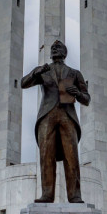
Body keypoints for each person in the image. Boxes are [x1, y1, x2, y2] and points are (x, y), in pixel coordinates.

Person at [21, 39, 91, 203]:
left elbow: (87, 99)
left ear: (65, 53)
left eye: (58, 47)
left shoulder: (74, 73)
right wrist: (35, 71)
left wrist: (77, 94)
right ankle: (47, 194)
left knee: (71, 156)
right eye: (52, 48)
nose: (54, 49)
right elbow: (23, 83)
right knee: (46, 155)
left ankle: (75, 195)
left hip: (67, 115)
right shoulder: (44, 71)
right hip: (47, 115)